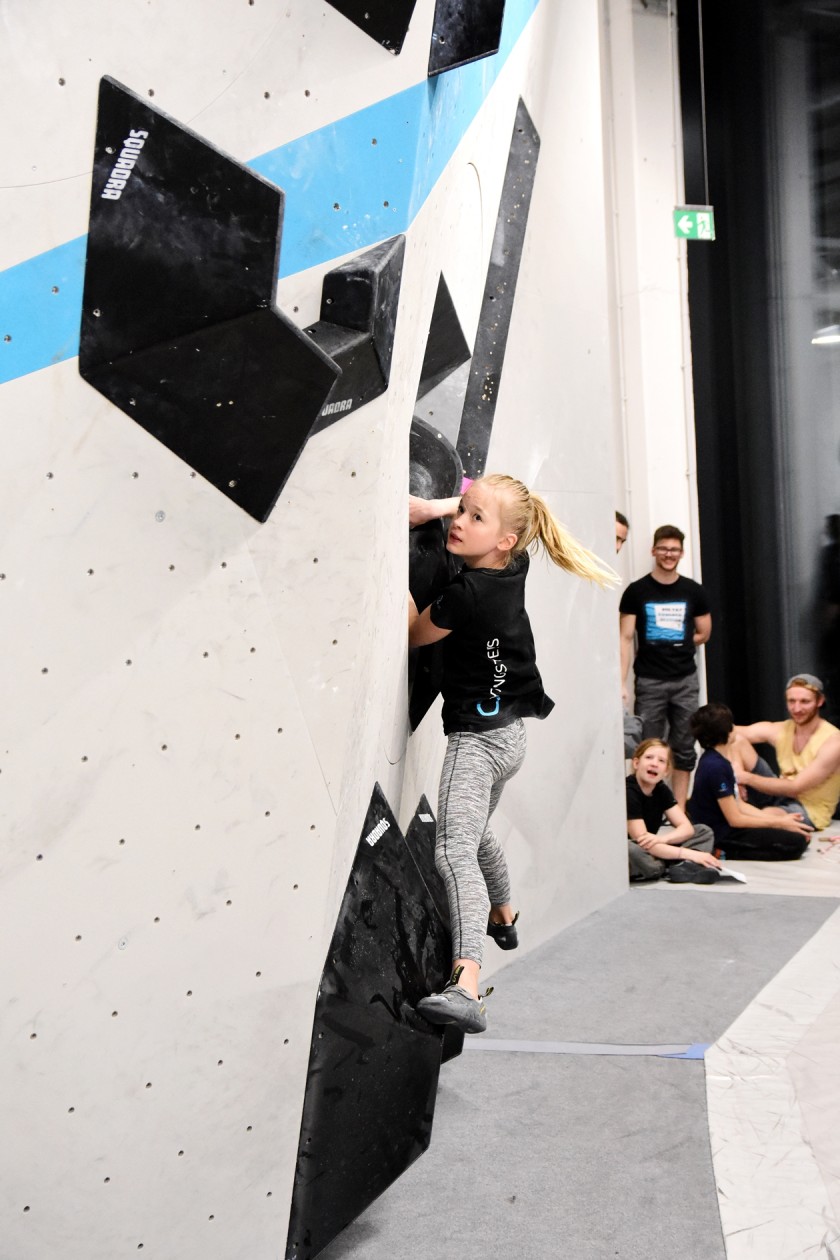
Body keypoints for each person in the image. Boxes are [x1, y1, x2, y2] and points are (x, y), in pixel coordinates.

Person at [408, 476, 616, 1034]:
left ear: (505, 539)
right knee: (475, 835)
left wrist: (388, 548)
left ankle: (467, 984)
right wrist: (442, 505)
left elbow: (411, 634)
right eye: (464, 512)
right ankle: (504, 912)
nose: (459, 522)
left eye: (475, 520)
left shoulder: (464, 597)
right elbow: (483, 500)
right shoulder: (511, 564)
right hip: (511, 737)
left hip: (476, 744)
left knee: (452, 852)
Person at [619, 525, 712, 810]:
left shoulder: (693, 591)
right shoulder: (637, 591)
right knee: (649, 746)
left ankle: (679, 809)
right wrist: (621, 682)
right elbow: (625, 636)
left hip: (685, 679)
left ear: (681, 553)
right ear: (654, 551)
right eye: (663, 548)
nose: (668, 554)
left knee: (684, 746)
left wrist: (680, 642)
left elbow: (704, 633)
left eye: (674, 549)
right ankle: (646, 808)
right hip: (649, 680)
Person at [688, 702, 812, 860]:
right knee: (796, 843)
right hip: (721, 833)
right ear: (727, 731)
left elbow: (739, 804)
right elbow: (735, 819)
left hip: (727, 826)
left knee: (798, 833)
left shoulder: (719, 761)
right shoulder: (715, 767)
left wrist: (780, 820)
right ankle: (722, 852)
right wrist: (778, 824)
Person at [732, 674, 840, 832]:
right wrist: (737, 773)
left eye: (805, 702)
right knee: (736, 739)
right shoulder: (782, 729)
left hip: (809, 809)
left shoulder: (833, 741)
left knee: (763, 817)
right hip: (779, 794)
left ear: (820, 701)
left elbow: (796, 787)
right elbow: (729, 733)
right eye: (791, 701)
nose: (797, 709)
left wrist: (744, 777)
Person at [626, 738, 720, 881]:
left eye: (661, 761)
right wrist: (690, 854)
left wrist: (662, 839)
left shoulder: (661, 789)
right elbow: (643, 842)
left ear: (666, 771)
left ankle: (679, 866)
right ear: (636, 763)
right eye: (649, 757)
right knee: (630, 849)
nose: (654, 763)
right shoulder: (629, 791)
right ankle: (671, 867)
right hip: (638, 849)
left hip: (654, 846)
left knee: (703, 831)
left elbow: (687, 828)